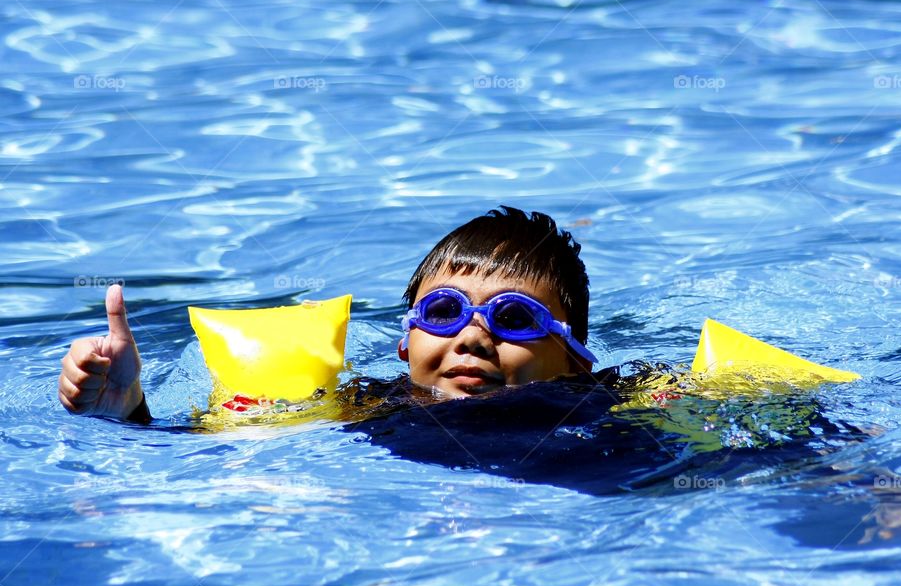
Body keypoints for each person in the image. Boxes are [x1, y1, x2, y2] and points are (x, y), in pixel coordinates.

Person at [58, 206, 597, 421]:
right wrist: (126, 408)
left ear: (575, 360)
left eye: (516, 319)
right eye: (443, 311)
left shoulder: (609, 417)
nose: (473, 337)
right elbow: (183, 461)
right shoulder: (364, 409)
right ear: (406, 344)